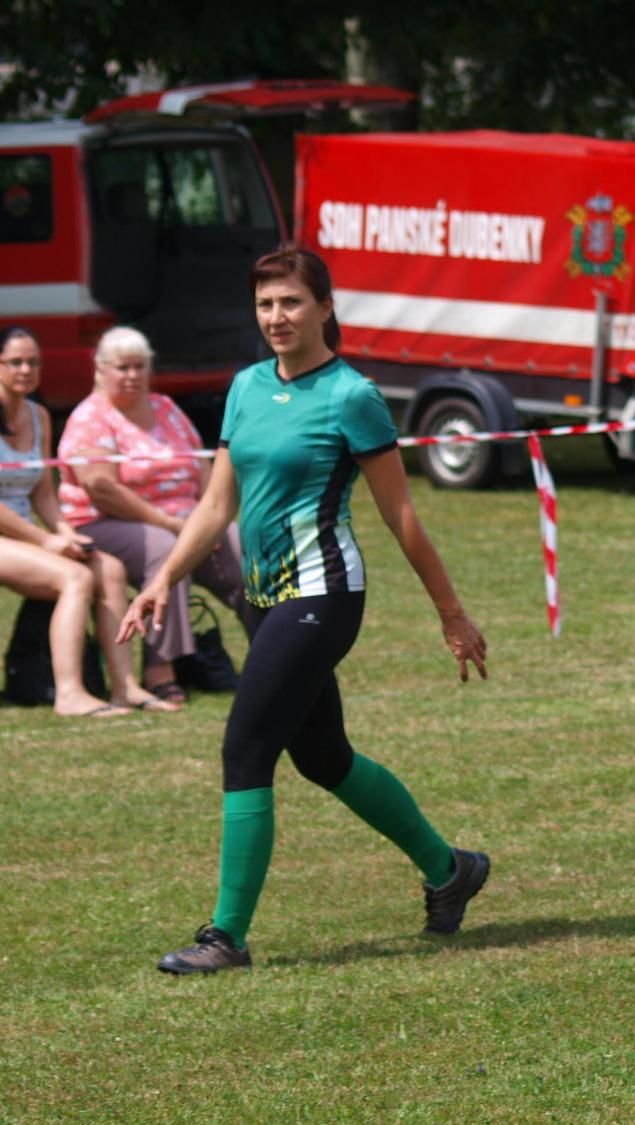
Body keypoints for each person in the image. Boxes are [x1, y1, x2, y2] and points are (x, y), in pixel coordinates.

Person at [119, 247, 490, 974]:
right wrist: (164, 578)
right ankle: (451, 869)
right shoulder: (247, 386)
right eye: (265, 304)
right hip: (264, 599)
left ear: (324, 307)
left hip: (323, 595)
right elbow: (216, 503)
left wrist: (451, 613)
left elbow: (401, 515)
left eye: (290, 302)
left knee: (246, 748)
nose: (276, 317)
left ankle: (226, 937)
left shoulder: (352, 396)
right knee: (324, 758)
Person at [58, 327, 254, 704]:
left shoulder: (165, 407)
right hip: (105, 521)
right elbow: (101, 487)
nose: (132, 375)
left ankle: (269, 654)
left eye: (139, 367)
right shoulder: (91, 417)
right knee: (167, 551)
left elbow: (202, 466)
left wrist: (209, 518)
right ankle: (160, 669)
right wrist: (169, 523)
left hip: (184, 518)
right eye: (123, 368)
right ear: (101, 370)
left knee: (240, 541)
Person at [0, 327, 174, 717]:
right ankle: (69, 694)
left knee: (109, 570)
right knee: (76, 578)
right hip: (13, 535)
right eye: (15, 362)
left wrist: (64, 531)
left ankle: (125, 687)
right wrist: (44, 540)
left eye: (33, 362)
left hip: (22, 535)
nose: (25, 370)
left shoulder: (38, 416)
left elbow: (44, 493)